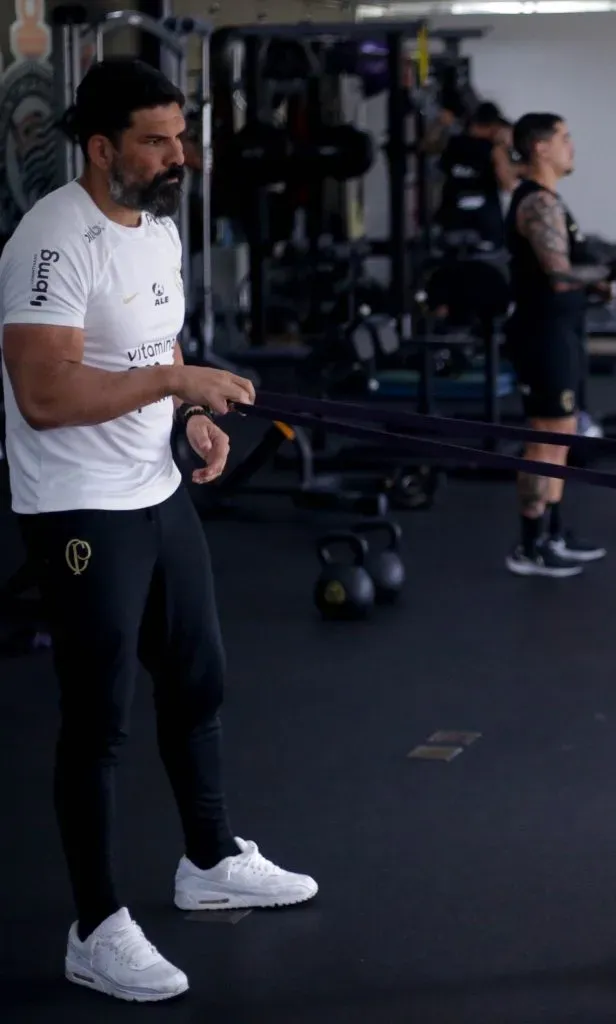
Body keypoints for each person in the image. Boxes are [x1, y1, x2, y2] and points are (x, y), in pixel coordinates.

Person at [0, 58, 318, 1003]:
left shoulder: (159, 231)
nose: (179, 154)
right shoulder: (51, 241)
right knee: (98, 721)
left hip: (153, 483)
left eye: (181, 136)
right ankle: (95, 927)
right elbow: (46, 392)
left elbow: (157, 345)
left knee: (197, 677)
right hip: (78, 502)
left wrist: (189, 417)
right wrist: (179, 385)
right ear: (101, 149)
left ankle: (210, 861)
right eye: (156, 139)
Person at [503, 113, 616, 577]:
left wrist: (603, 281)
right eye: (564, 138)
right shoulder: (537, 204)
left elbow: (569, 269)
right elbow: (558, 273)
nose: (572, 146)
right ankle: (530, 545)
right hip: (542, 333)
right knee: (545, 439)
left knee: (562, 436)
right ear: (540, 147)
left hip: (561, 332)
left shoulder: (550, 202)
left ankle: (553, 531)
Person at [436, 100, 520, 253]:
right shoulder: (489, 149)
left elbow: (507, 184)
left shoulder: (455, 143)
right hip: (474, 220)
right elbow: (508, 184)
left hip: (460, 217)